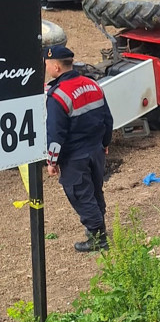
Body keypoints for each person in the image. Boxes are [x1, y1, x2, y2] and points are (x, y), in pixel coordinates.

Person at [44, 45, 113, 252]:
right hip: (96, 150)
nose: (46, 68)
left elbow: (55, 134)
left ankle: (98, 238)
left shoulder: (57, 96)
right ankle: (98, 227)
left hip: (75, 156)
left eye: (46, 64)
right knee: (94, 190)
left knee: (80, 194)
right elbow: (107, 118)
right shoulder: (92, 84)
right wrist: (106, 143)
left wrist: (52, 161)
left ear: (56, 67)